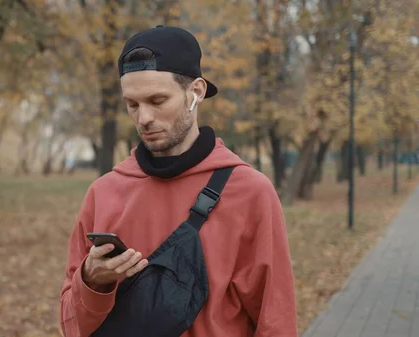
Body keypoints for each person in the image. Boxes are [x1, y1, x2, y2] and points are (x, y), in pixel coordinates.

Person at [59, 25, 298, 337]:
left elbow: (275, 320)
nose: (143, 118)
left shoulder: (251, 192)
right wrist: (91, 280)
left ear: (195, 92)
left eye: (157, 100)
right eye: (132, 104)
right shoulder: (103, 193)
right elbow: (71, 327)